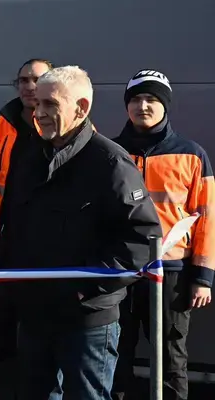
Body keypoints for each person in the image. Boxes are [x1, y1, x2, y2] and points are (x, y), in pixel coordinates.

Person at [0, 65, 162, 399]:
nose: (39, 113)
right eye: (36, 104)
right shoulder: (28, 157)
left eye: (50, 105)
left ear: (81, 108)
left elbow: (141, 239)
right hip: (34, 314)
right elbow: (12, 225)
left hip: (87, 321)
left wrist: (84, 288)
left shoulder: (109, 163)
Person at [111, 69, 214, 400]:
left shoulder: (192, 154)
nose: (143, 106)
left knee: (171, 358)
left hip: (172, 273)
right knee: (115, 355)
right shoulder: (109, 152)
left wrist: (203, 277)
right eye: (136, 99)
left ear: (165, 105)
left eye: (152, 99)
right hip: (120, 271)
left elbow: (207, 219)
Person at [0, 58, 52, 399]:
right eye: (22, 80)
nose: (28, 86)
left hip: (47, 252)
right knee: (1, 331)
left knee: (41, 335)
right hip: (4, 248)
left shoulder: (70, 127)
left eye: (36, 79)